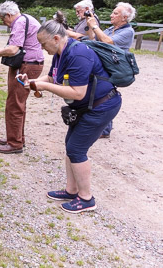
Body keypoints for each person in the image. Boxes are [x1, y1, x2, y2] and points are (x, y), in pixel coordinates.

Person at [17, 20, 122, 213]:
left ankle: (86, 198)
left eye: (43, 44)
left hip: (102, 105)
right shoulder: (60, 52)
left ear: (56, 38)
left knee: (76, 148)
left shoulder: (78, 54)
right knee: (71, 145)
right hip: (87, 106)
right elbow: (51, 77)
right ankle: (72, 190)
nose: (41, 48)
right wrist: (32, 82)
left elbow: (77, 93)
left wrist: (43, 87)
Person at [0, 1, 44, 154]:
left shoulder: (19, 22)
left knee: (14, 103)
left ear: (9, 15)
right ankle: (17, 136)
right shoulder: (27, 19)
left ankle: (15, 143)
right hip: (31, 63)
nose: (3, 23)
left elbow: (13, 49)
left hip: (25, 65)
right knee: (19, 102)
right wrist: (1, 50)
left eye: (3, 19)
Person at [86, 2, 136, 138]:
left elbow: (107, 42)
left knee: (107, 94)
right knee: (99, 92)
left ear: (125, 18)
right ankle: (100, 126)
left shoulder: (128, 31)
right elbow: (93, 40)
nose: (111, 15)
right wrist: (90, 25)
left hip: (115, 68)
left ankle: (105, 130)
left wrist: (95, 25)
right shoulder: (110, 29)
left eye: (115, 13)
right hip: (106, 65)